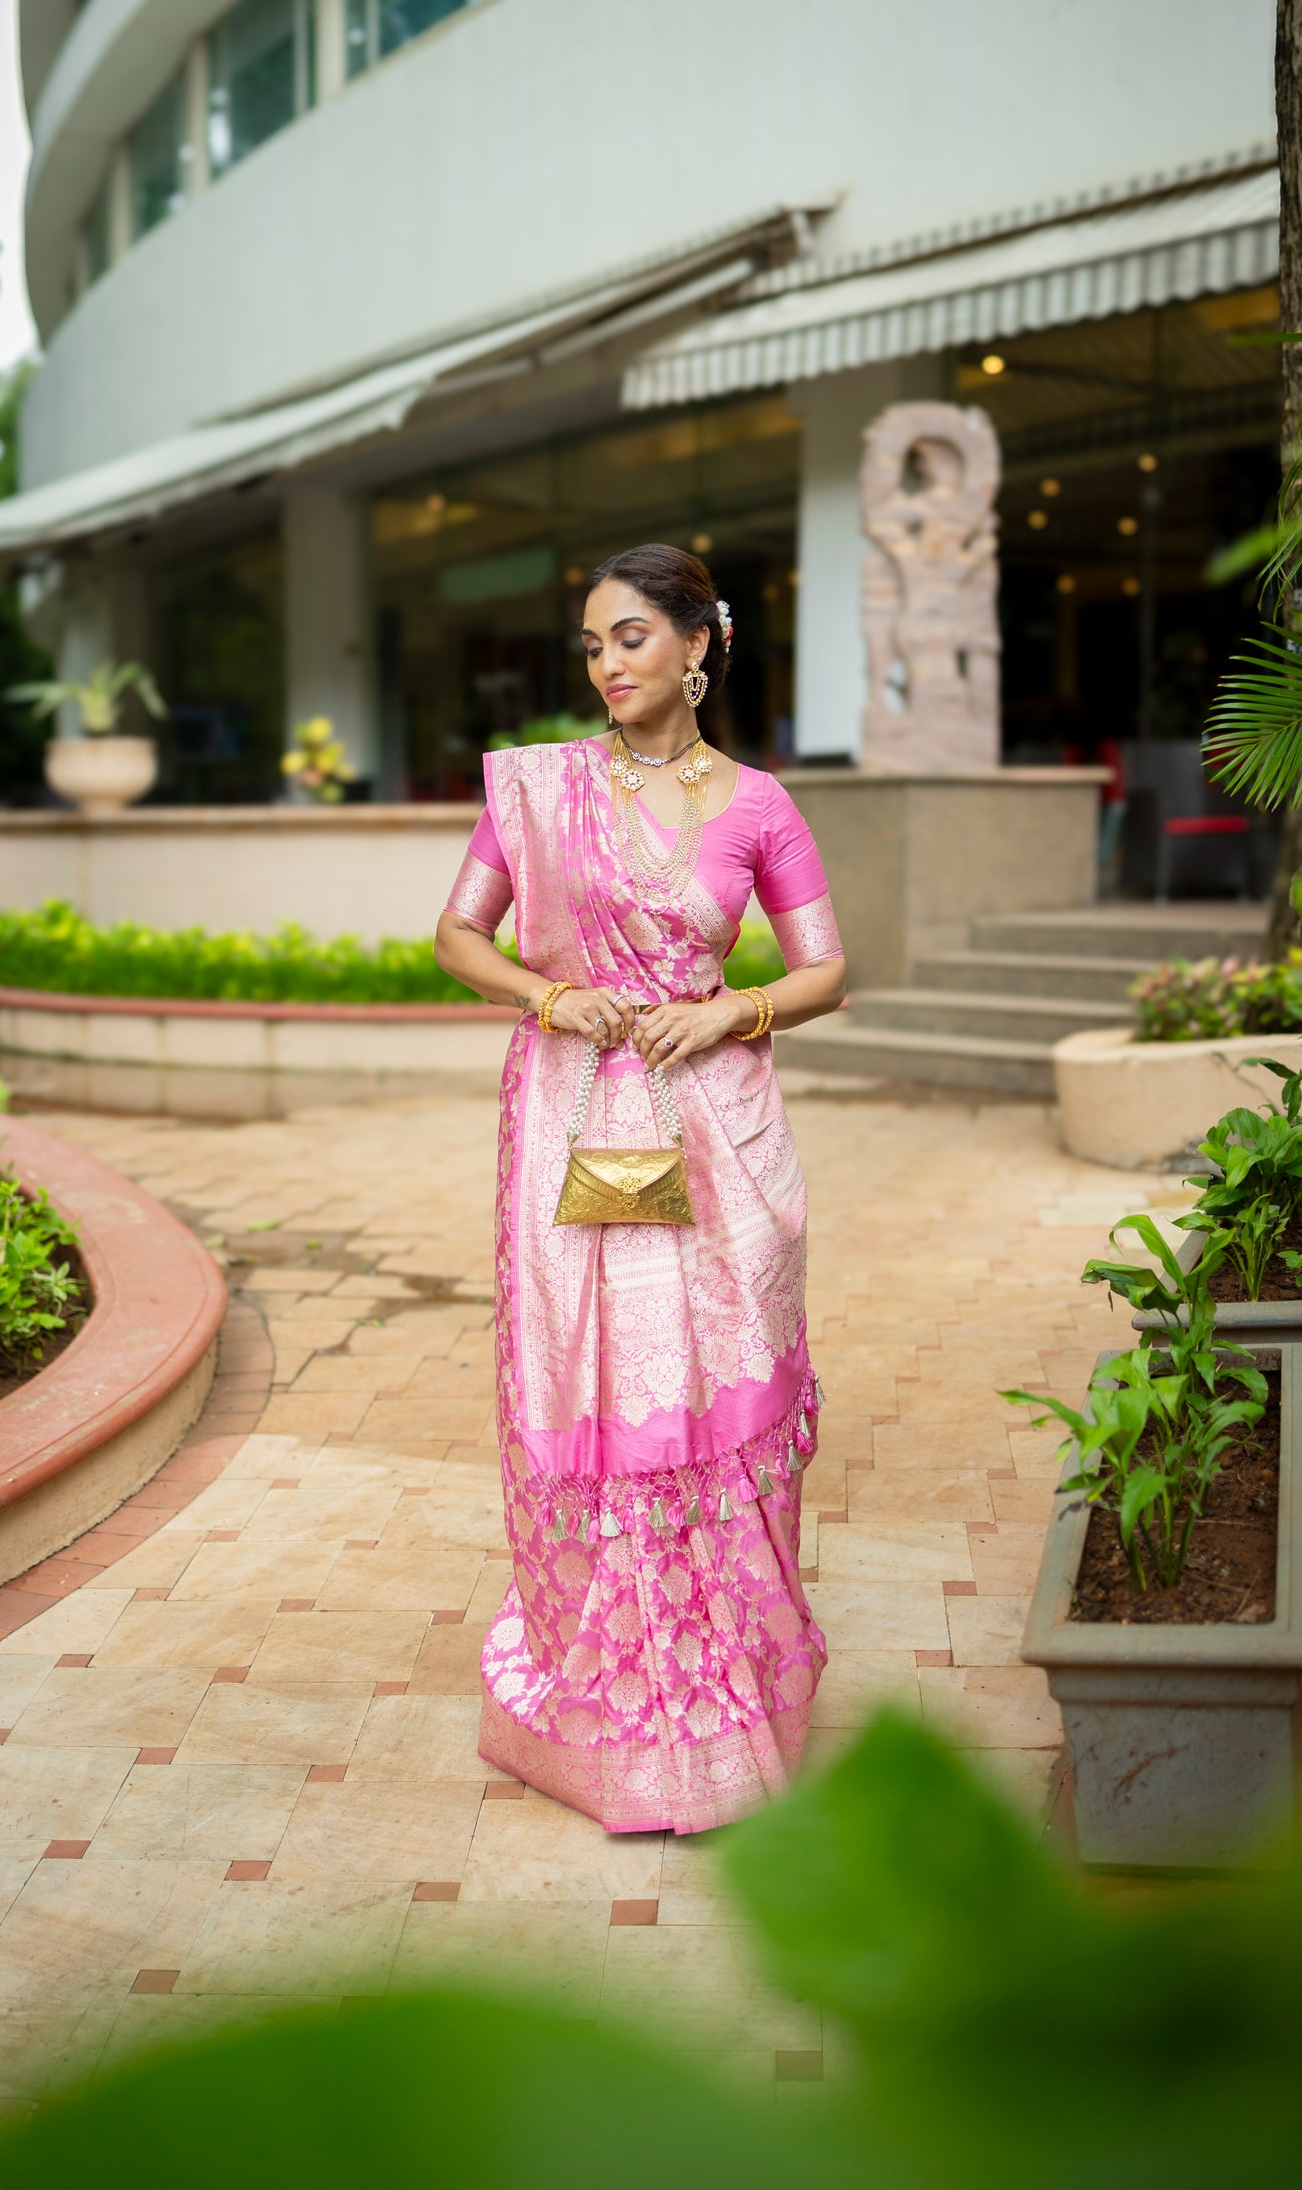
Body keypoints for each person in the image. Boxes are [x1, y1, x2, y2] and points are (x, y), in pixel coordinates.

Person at [434, 543, 847, 1833]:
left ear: (698, 644)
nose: (608, 665)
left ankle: (726, 1682)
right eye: (594, 646)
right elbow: (457, 937)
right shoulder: (544, 792)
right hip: (587, 1115)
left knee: (710, 1365)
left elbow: (827, 970)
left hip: (712, 1120)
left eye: (629, 639)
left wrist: (732, 1013)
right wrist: (556, 996)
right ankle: (621, 1675)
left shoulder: (759, 806)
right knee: (613, 1376)